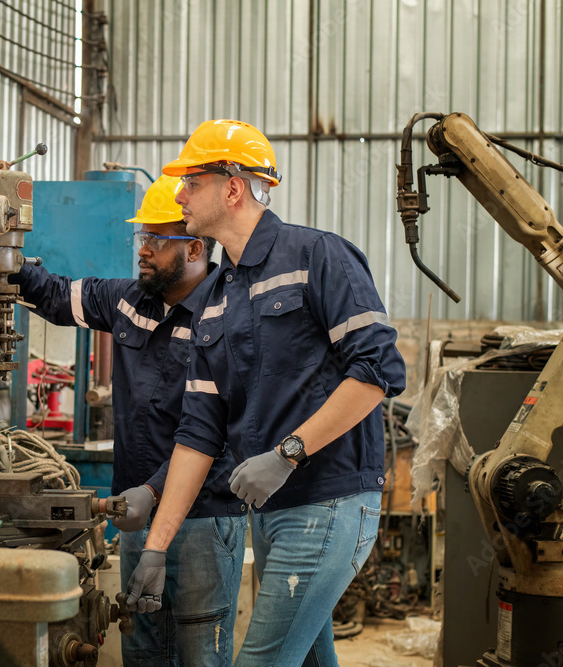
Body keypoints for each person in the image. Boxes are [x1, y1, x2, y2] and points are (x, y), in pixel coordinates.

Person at [124, 120, 407, 666]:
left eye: (192, 182)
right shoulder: (215, 299)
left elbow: (377, 371)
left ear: (233, 188)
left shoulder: (318, 255)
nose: (179, 195)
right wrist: (156, 546)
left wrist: (288, 453)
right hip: (270, 512)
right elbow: (199, 430)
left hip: (329, 501)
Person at [9, 174, 248, 666]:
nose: (144, 250)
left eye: (157, 240)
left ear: (195, 248)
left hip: (204, 519)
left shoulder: (230, 316)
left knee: (200, 651)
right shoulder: (128, 301)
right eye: (142, 237)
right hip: (135, 515)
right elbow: (55, 295)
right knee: (142, 645)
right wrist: (3, 261)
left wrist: (154, 491)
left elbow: (221, 432)